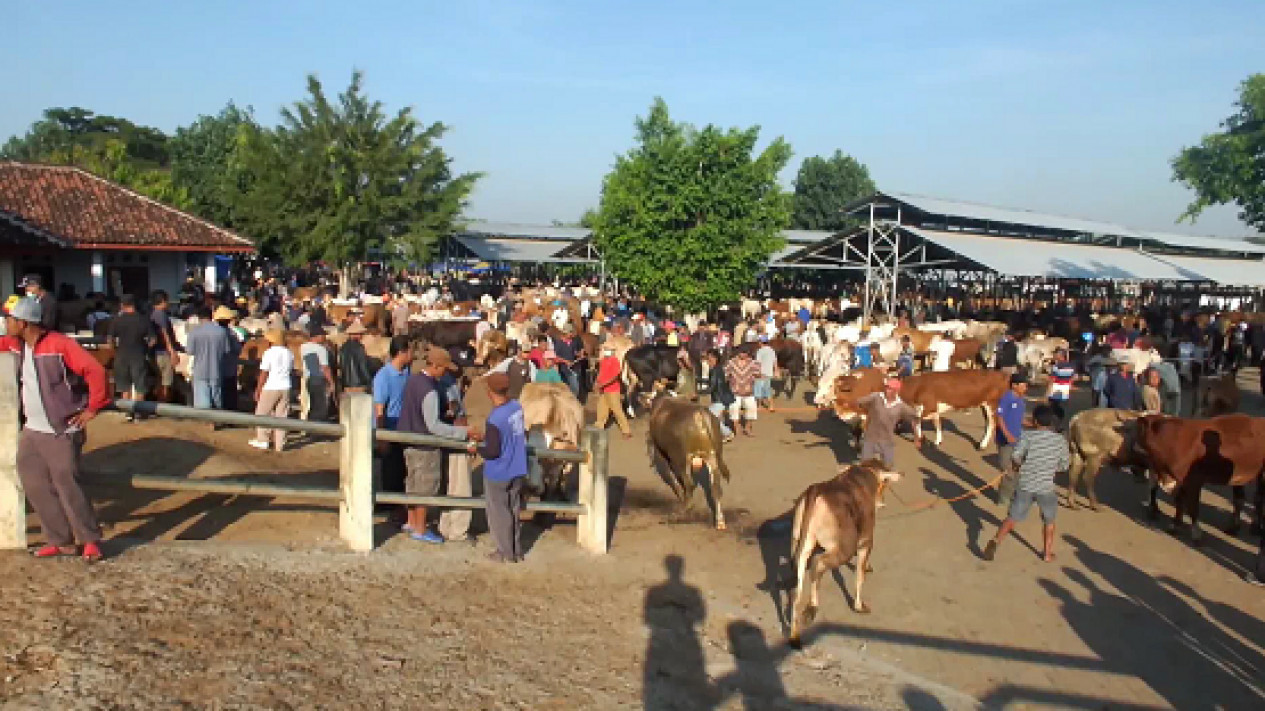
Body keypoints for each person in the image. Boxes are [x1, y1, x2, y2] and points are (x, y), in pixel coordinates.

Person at [1, 297, 109, 561]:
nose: (5, 323)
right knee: (34, 484)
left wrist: (92, 408)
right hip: (33, 431)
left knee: (67, 484)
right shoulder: (17, 345)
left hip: (61, 430)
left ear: (23, 322)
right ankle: (60, 541)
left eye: (9, 319)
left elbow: (95, 370)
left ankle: (89, 540)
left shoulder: (60, 345)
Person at [397, 346, 477, 543]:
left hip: (408, 439)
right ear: (437, 366)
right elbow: (433, 426)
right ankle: (421, 529)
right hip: (424, 443)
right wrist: (463, 432)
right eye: (444, 368)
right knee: (425, 486)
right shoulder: (430, 390)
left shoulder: (413, 380)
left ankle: (411, 522)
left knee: (413, 483)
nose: (445, 372)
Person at [983, 405, 1069, 563]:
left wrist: (1019, 465)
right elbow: (1064, 466)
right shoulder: (1060, 441)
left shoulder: (1027, 436)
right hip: (1046, 487)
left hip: (1025, 485)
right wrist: (1050, 466)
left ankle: (995, 541)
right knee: (1049, 521)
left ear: (1035, 421)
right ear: (1051, 422)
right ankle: (1047, 554)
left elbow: (1016, 457)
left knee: (1012, 518)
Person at [476, 372, 530, 563]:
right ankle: (516, 550)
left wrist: (476, 448)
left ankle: (504, 552)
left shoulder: (494, 419)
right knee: (513, 510)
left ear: (490, 392)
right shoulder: (517, 407)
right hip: (517, 466)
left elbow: (492, 451)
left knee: (499, 513)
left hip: (499, 471)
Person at [373, 336, 413, 499]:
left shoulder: (407, 373)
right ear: (402, 352)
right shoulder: (384, 376)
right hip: (389, 428)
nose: (412, 354)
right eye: (409, 350)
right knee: (388, 470)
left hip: (402, 428)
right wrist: (382, 437)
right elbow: (379, 408)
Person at [853, 378, 922, 468]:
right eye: (886, 387)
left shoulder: (901, 407)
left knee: (887, 468)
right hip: (870, 438)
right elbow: (858, 402)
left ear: (896, 391)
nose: (886, 390)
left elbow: (915, 419)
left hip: (887, 441)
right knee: (865, 467)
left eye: (889, 388)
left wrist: (917, 437)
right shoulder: (876, 397)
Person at [106, 295, 152, 421]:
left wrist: (113, 352)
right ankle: (139, 413)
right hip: (138, 355)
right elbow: (152, 340)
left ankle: (127, 413)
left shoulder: (116, 320)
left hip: (121, 355)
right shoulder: (143, 319)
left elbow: (109, 340)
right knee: (140, 386)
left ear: (122, 305)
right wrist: (146, 348)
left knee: (124, 387)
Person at [249, 330, 294, 451]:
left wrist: (258, 389)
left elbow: (264, 373)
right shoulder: (289, 353)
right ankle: (280, 443)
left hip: (271, 386)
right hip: (285, 386)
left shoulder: (269, 353)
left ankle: (263, 439)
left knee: (262, 413)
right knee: (282, 415)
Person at [186, 306, 232, 415]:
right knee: (216, 396)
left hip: (200, 370)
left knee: (202, 397)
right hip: (217, 369)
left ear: (199, 318)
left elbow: (190, 351)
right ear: (211, 316)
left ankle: (207, 420)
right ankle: (215, 419)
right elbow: (227, 350)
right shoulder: (222, 332)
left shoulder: (194, 332)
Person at [996, 373, 1029, 509]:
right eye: (1023, 385)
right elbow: (999, 418)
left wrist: (1032, 424)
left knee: (1016, 469)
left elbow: (1020, 419)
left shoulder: (1021, 400)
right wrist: (1007, 435)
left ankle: (1013, 495)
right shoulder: (1006, 398)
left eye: (1026, 385)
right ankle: (1003, 499)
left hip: (1018, 440)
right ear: (1014, 385)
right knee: (1007, 470)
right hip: (1005, 441)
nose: (1025, 388)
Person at [594, 345, 633, 439]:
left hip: (613, 389)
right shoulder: (603, 360)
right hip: (604, 389)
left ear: (613, 351)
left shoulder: (615, 361)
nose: (606, 351)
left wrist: (603, 384)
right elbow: (600, 373)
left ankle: (626, 431)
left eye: (608, 350)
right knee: (601, 409)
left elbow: (615, 377)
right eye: (605, 349)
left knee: (617, 410)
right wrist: (597, 382)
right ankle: (599, 426)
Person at [149, 290, 179, 403]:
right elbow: (165, 334)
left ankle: (158, 403)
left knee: (159, 379)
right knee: (166, 382)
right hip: (163, 352)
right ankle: (164, 404)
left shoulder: (151, 314)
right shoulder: (161, 315)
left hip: (154, 353)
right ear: (162, 301)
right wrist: (172, 352)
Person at [300, 324, 334, 422]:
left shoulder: (303, 347)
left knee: (312, 405)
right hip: (319, 379)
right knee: (321, 407)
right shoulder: (321, 349)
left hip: (308, 379)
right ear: (317, 336)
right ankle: (317, 431)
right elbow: (325, 368)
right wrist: (331, 382)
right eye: (323, 335)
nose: (325, 337)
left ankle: (309, 428)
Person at [725, 349, 762, 437]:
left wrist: (753, 374)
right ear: (738, 353)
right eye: (742, 352)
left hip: (748, 392)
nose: (743, 354)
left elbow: (758, 374)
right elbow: (725, 374)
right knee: (734, 410)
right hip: (735, 391)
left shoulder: (753, 363)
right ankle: (736, 428)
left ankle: (748, 428)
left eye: (745, 352)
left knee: (752, 410)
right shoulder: (731, 362)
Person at [213, 306, 242, 412]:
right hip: (229, 368)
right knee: (230, 394)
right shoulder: (231, 333)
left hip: (216, 368)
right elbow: (237, 349)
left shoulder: (214, 333)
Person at [704, 350, 735, 441]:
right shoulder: (717, 369)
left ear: (715, 359)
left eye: (709, 359)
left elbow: (712, 387)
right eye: (707, 360)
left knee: (711, 416)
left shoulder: (715, 370)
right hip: (721, 398)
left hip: (720, 398)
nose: (707, 362)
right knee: (712, 416)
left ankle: (727, 433)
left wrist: (698, 392)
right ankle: (723, 433)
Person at [338, 321, 374, 394]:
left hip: (346, 384)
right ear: (357, 334)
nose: (362, 336)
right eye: (361, 334)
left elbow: (341, 366)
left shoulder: (343, 347)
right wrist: (370, 382)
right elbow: (363, 367)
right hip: (359, 384)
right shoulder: (359, 348)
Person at [1046, 348, 1075, 424]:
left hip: (1055, 389)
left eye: (1055, 354)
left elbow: (1052, 379)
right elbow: (1073, 378)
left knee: (1052, 408)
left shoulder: (1057, 366)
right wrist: (1069, 387)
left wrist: (1047, 393)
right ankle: (1060, 423)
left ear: (1060, 355)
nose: (1054, 355)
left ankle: (1053, 424)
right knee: (1060, 407)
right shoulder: (1071, 366)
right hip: (1065, 389)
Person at [754, 338, 777, 410]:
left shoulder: (760, 351)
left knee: (758, 389)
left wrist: (758, 372)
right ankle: (771, 405)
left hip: (762, 372)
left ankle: (759, 405)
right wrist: (776, 370)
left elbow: (758, 363)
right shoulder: (771, 350)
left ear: (761, 342)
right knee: (767, 389)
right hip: (769, 372)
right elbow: (775, 361)